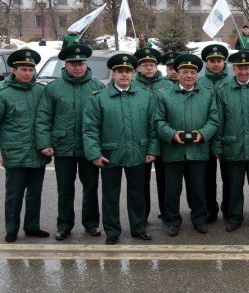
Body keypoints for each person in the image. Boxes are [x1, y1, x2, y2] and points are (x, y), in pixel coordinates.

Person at [82, 53, 159, 244]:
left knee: (138, 193)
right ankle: (112, 231)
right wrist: (94, 154)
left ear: (132, 74)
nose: (124, 74)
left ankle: (138, 227)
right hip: (109, 154)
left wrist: (151, 150)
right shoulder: (99, 98)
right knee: (110, 195)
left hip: (138, 153)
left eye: (127, 71)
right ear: (113, 74)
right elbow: (90, 129)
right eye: (119, 71)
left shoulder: (146, 97)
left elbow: (153, 126)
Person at [35, 44, 104, 241]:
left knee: (90, 188)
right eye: (73, 64)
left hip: (89, 148)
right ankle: (64, 225)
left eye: (81, 63)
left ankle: (91, 223)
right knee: (65, 189)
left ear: (86, 64)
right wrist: (45, 143)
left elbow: (104, 119)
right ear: (65, 65)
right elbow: (43, 117)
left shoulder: (97, 88)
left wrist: (101, 146)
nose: (77, 67)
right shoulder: (53, 88)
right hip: (63, 147)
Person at [155, 54, 219, 237]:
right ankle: (173, 221)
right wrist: (171, 135)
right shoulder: (164, 95)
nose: (189, 75)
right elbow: (158, 121)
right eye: (185, 72)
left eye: (192, 72)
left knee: (198, 188)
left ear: (197, 74)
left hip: (198, 151)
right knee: (172, 190)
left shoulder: (207, 94)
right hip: (172, 151)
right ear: (177, 73)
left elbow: (214, 119)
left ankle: (199, 219)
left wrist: (203, 134)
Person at [212, 49, 249, 232]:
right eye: (239, 67)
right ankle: (234, 216)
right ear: (234, 68)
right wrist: (217, 145)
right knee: (234, 186)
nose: (243, 71)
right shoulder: (223, 91)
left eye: (247, 67)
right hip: (233, 146)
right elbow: (218, 120)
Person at [0, 49, 51, 243]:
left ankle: (32, 226)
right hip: (14, 152)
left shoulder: (41, 90)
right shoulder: (4, 93)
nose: (27, 73)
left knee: (35, 193)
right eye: (23, 69)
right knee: (14, 195)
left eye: (30, 69)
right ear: (14, 70)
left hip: (38, 151)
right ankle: (11, 229)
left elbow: (47, 119)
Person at [133, 47, 173, 222]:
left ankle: (167, 212)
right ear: (138, 67)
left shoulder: (168, 85)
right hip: (143, 140)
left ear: (157, 67)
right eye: (145, 65)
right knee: (141, 182)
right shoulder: (132, 85)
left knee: (166, 180)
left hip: (165, 141)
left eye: (152, 64)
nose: (149, 68)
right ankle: (142, 215)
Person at [197, 44, 232, 222]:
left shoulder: (232, 80)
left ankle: (228, 208)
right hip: (205, 138)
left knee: (229, 178)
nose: (216, 64)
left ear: (224, 62)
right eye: (212, 61)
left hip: (228, 137)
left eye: (219, 60)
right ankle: (210, 209)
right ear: (206, 63)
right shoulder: (199, 82)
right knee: (207, 179)